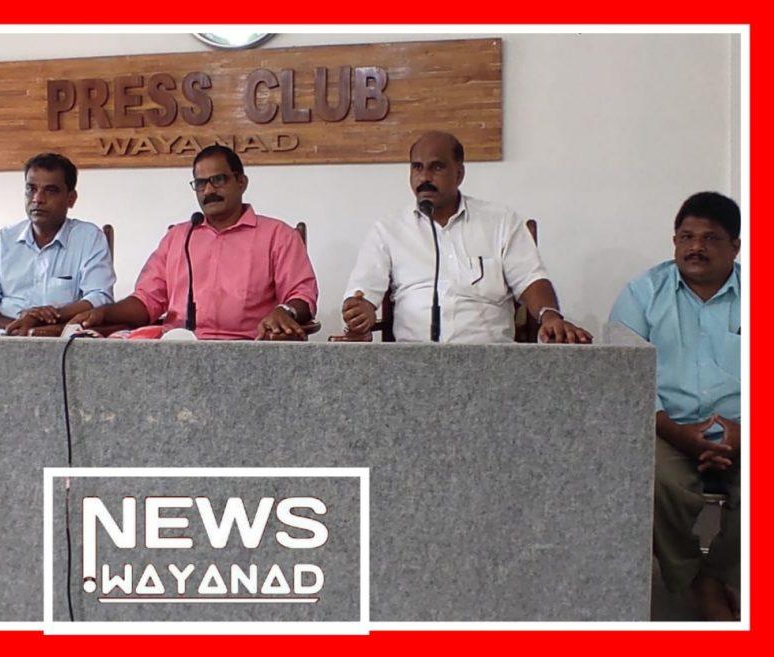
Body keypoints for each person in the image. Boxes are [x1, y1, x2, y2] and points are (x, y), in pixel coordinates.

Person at [609, 191, 741, 621]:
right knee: (650, 480)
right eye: (686, 236)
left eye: (710, 238)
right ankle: (690, 579)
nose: (695, 247)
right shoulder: (643, 293)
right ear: (674, 241)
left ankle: (718, 575)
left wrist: (747, 432)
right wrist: (676, 431)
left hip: (744, 427)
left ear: (735, 246)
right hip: (665, 427)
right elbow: (623, 375)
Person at [341, 131, 591, 344]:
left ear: (459, 174)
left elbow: (531, 279)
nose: (424, 177)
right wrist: (361, 311)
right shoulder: (388, 229)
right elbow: (363, 293)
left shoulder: (500, 221)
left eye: (437, 167)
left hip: (490, 360)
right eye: (417, 167)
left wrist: (550, 316)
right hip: (414, 362)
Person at [69, 145, 318, 340]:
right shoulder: (179, 237)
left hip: (250, 350)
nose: (208, 190)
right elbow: (146, 301)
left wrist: (284, 311)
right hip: (178, 351)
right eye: (200, 184)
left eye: (218, 180)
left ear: (241, 182)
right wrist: (104, 313)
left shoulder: (278, 235)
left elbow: (302, 295)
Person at [0, 153, 115, 336]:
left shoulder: (89, 238)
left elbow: (100, 298)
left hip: (61, 340)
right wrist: (19, 326)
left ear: (71, 198)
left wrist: (45, 319)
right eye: (31, 189)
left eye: (50, 191)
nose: (38, 198)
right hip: (2, 338)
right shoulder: (3, 240)